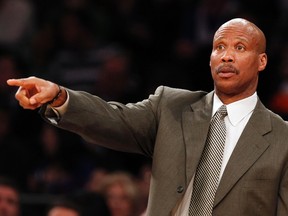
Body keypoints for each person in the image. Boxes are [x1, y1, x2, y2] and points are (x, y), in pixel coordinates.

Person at [6, 17, 288, 215]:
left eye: (239, 48)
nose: (226, 56)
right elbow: (112, 119)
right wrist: (60, 96)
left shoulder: (282, 138)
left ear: (261, 60)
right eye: (219, 47)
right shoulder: (171, 107)